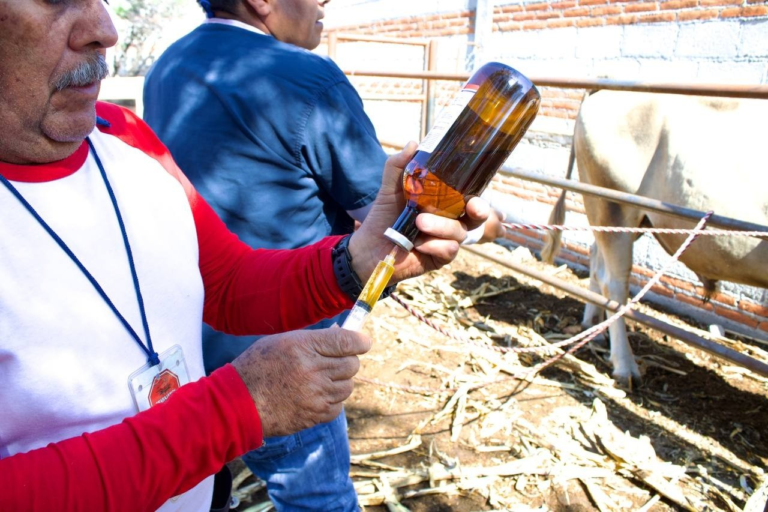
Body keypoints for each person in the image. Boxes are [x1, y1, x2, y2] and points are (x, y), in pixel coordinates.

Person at [0, 1, 490, 511]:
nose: (105, 30)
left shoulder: (124, 134)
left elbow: (227, 283)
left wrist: (359, 258)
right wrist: (232, 411)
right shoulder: (308, 76)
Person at [142, 1, 503, 509]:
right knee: (319, 497)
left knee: (204, 486)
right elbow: (398, 217)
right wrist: (485, 222)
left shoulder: (168, 65)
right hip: (282, 356)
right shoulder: (307, 78)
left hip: (185, 344)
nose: (325, 2)